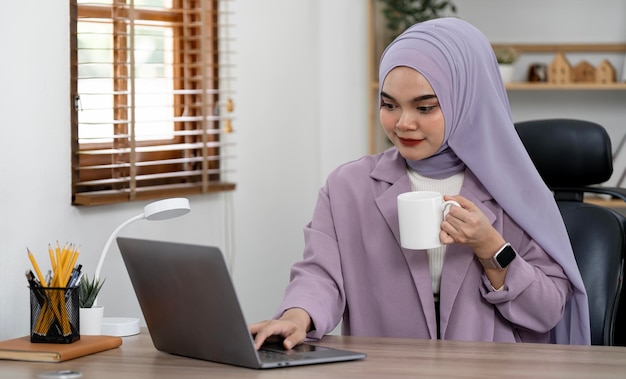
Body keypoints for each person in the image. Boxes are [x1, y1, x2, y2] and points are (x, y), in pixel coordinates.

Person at [250, 17, 591, 349]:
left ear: (466, 102)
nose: (403, 123)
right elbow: (320, 276)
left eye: (425, 107)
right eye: (389, 105)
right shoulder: (348, 187)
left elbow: (546, 312)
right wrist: (297, 317)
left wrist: (490, 247)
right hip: (388, 371)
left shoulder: (516, 193)